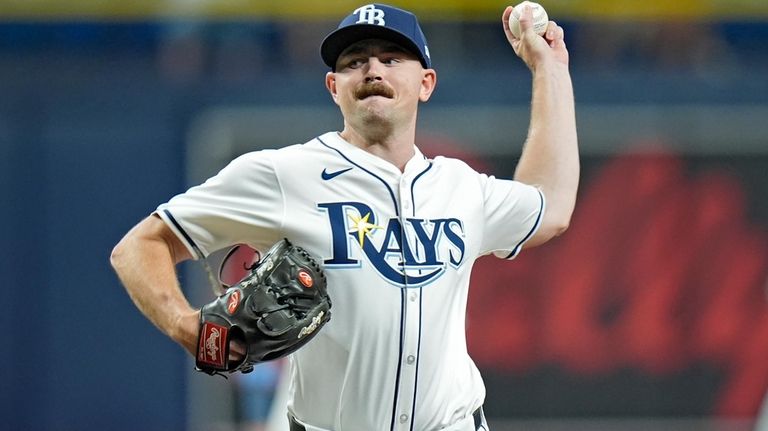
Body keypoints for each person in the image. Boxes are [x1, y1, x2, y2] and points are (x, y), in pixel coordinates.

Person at [110, 3, 578, 431]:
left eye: (391, 58)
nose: (372, 69)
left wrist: (550, 70)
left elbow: (549, 205)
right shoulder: (284, 174)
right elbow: (139, 246)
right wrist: (184, 325)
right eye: (355, 61)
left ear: (426, 83)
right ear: (334, 88)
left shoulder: (461, 187)